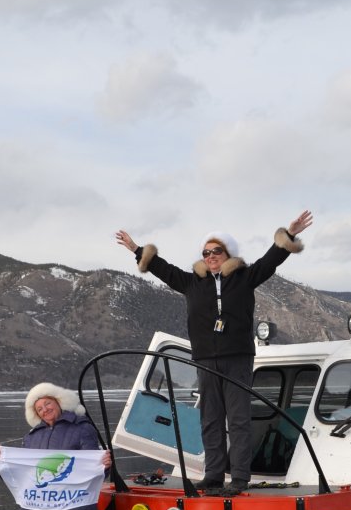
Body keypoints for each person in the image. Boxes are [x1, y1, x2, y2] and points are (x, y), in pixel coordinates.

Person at [116, 211, 312, 495]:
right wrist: (137, 250)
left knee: (238, 418)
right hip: (206, 360)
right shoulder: (192, 283)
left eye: (216, 251)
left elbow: (272, 259)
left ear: (227, 252)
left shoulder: (245, 277)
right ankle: (214, 476)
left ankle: (240, 478)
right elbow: (164, 269)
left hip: (237, 358)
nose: (210, 256)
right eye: (206, 252)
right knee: (210, 419)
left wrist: (289, 234)